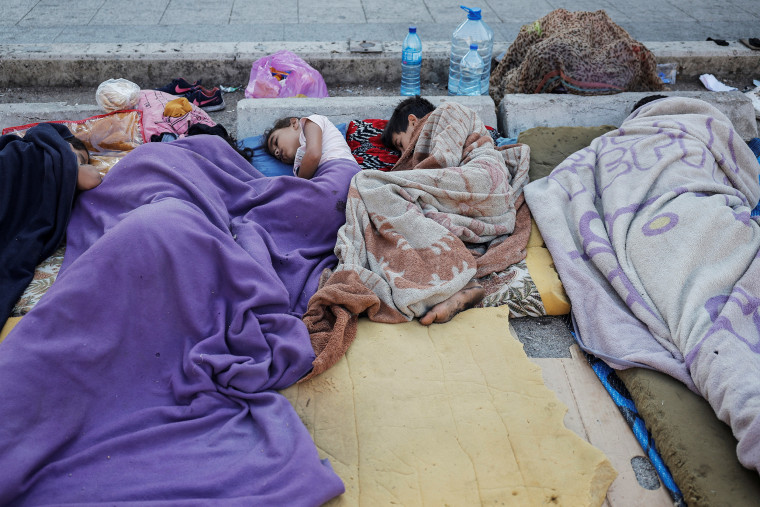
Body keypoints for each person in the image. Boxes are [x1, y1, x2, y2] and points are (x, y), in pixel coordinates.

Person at [264, 114, 358, 179]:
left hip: (341, 169)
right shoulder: (299, 166)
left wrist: (298, 185)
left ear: (294, 123)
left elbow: (313, 155)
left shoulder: (311, 122)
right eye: (276, 155)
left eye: (275, 142)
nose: (276, 153)